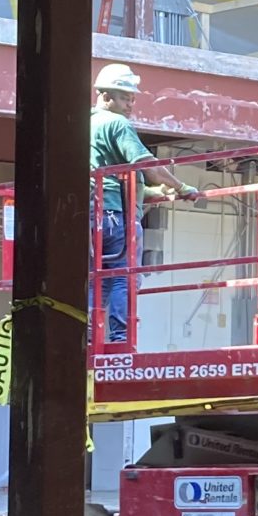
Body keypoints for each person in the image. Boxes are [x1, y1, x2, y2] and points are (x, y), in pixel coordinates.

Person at [90, 64, 198, 346]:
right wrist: (182, 187)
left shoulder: (86, 124)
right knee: (123, 277)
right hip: (116, 217)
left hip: (92, 213)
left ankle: (89, 338)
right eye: (125, 97)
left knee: (95, 278)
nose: (131, 105)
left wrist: (151, 192)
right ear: (105, 95)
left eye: (132, 98)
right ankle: (119, 340)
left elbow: (114, 177)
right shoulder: (117, 124)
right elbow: (146, 164)